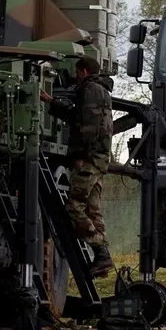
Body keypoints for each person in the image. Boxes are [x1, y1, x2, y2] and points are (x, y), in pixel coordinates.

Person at [43, 55, 115, 277]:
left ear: (83, 70)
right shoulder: (100, 89)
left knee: (74, 207)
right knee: (92, 209)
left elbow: (88, 126)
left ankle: (101, 252)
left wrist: (81, 154)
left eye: (77, 72)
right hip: (98, 158)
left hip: (90, 158)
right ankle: (102, 259)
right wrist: (51, 101)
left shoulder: (90, 89)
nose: (75, 76)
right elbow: (79, 116)